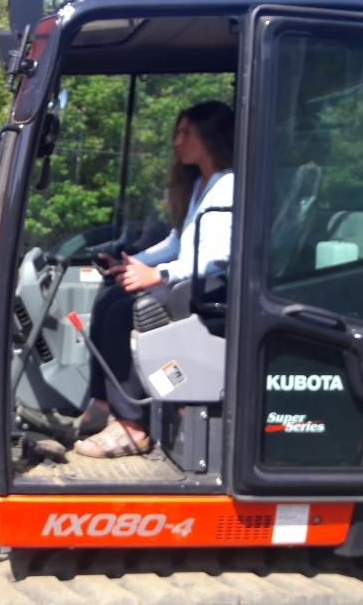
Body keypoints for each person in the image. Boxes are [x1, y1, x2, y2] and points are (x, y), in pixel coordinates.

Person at [74, 100, 235, 458]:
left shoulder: (229, 185)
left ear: (210, 136)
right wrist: (133, 263)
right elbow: (178, 241)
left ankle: (132, 427)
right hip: (191, 278)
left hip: (218, 286)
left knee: (125, 311)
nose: (176, 142)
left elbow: (217, 256)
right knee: (110, 297)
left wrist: (158, 275)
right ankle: (103, 401)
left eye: (184, 133)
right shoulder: (202, 185)